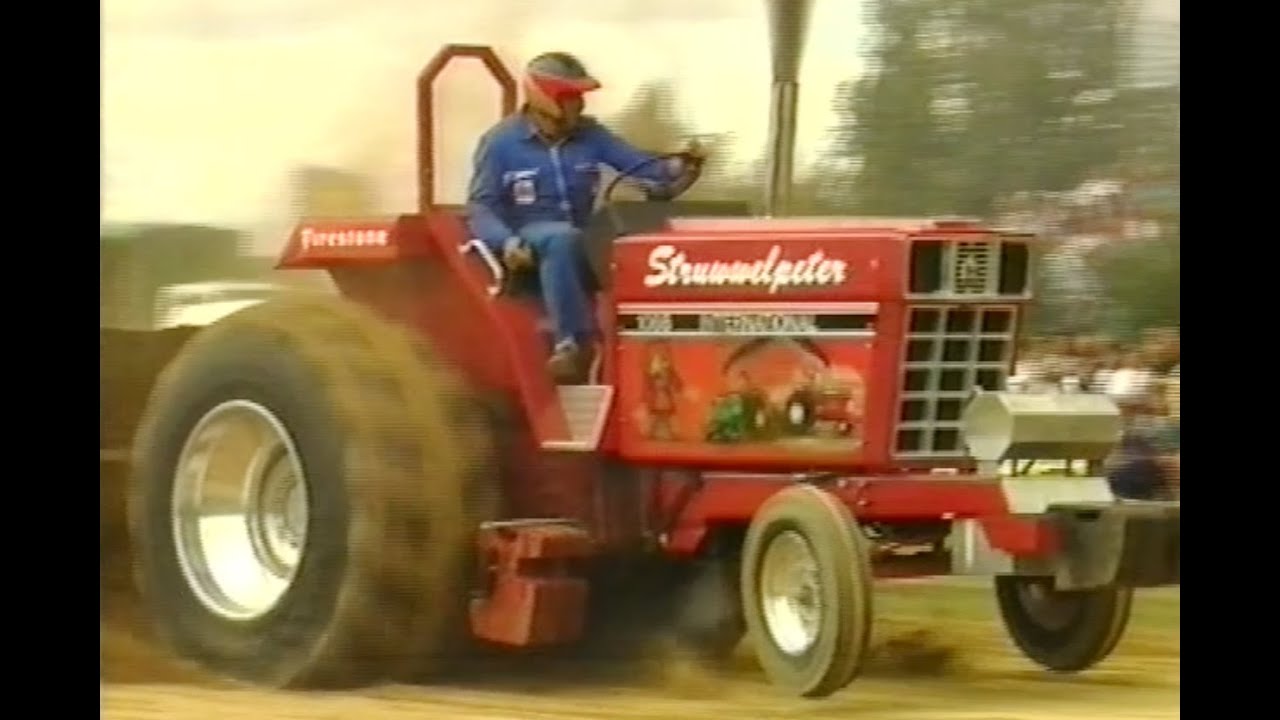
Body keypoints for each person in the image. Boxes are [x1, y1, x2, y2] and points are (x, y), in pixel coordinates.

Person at [465, 51, 704, 382]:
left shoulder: (592, 135)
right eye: (570, 96)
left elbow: (639, 167)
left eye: (579, 97)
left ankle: (647, 345)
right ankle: (572, 346)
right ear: (543, 97)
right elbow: (481, 207)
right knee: (562, 237)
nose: (579, 105)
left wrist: (679, 166)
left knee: (629, 242)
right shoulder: (500, 143)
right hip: (529, 243)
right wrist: (506, 242)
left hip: (583, 239)